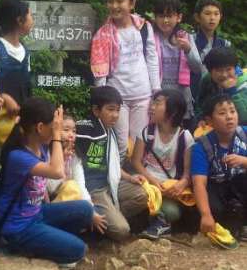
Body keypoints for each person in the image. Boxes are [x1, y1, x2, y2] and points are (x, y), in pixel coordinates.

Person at [0, 98, 93, 266]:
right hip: (19, 228)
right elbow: (57, 172)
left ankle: (49, 241)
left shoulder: (39, 147)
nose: (57, 130)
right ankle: (18, 247)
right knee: (79, 250)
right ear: (40, 128)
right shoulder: (18, 156)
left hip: (37, 213)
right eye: (54, 127)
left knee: (85, 210)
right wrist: (57, 135)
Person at [90, 0, 160, 156]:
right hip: (117, 98)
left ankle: (136, 173)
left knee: (139, 144)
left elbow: (152, 59)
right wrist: (102, 99)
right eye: (111, 1)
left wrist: (156, 92)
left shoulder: (144, 28)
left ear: (132, 3)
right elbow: (100, 71)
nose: (115, 6)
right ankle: (118, 174)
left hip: (143, 96)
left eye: (120, 1)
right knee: (120, 145)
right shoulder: (103, 34)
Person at [75, 86, 148, 241]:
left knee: (143, 195)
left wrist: (130, 178)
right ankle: (96, 222)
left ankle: (106, 218)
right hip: (93, 190)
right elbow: (68, 135)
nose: (115, 115)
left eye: (118, 110)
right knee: (122, 231)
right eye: (110, 109)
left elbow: (112, 165)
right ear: (96, 110)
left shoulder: (109, 130)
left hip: (110, 184)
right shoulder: (84, 129)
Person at [132, 89, 195, 239]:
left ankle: (158, 223)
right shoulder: (147, 132)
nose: (151, 107)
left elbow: (187, 173)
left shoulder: (185, 137)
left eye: (157, 103)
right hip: (147, 184)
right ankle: (156, 223)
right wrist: (153, 181)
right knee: (142, 200)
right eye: (152, 103)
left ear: (173, 111)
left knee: (172, 212)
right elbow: (136, 161)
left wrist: (181, 184)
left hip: (169, 188)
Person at [191, 95, 247, 239]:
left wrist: (244, 161)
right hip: (217, 187)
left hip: (241, 185)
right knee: (214, 210)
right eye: (222, 113)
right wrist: (206, 215)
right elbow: (199, 183)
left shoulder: (244, 134)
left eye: (232, 111)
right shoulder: (202, 146)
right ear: (209, 121)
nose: (229, 117)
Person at [152, 0, 202, 129]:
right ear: (155, 17)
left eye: (169, 16)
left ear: (179, 17)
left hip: (182, 99)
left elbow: (197, 68)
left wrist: (188, 50)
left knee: (182, 137)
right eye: (161, 16)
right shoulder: (150, 38)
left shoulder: (186, 37)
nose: (165, 20)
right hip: (158, 96)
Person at [0, 0, 34, 107]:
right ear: (20, 20)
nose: (32, 20)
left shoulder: (25, 52)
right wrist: (2, 97)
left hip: (21, 115)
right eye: (31, 16)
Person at [46, 114, 92, 204]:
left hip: (70, 201)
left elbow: (80, 185)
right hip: (50, 202)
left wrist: (90, 206)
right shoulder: (47, 154)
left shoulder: (74, 156)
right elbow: (51, 188)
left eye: (74, 131)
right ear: (55, 132)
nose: (71, 135)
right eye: (66, 130)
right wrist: (62, 159)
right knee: (71, 186)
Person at [192, 0, 231, 100]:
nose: (212, 18)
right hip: (193, 93)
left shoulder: (225, 44)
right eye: (207, 13)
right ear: (197, 17)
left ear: (220, 17)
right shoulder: (189, 40)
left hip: (218, 95)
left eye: (216, 14)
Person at [196, 47, 247, 125]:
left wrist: (232, 91)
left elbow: (244, 118)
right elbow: (200, 105)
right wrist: (202, 118)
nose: (224, 75)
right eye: (219, 70)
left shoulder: (243, 83)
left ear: (235, 68)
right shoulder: (207, 80)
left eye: (229, 69)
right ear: (210, 71)